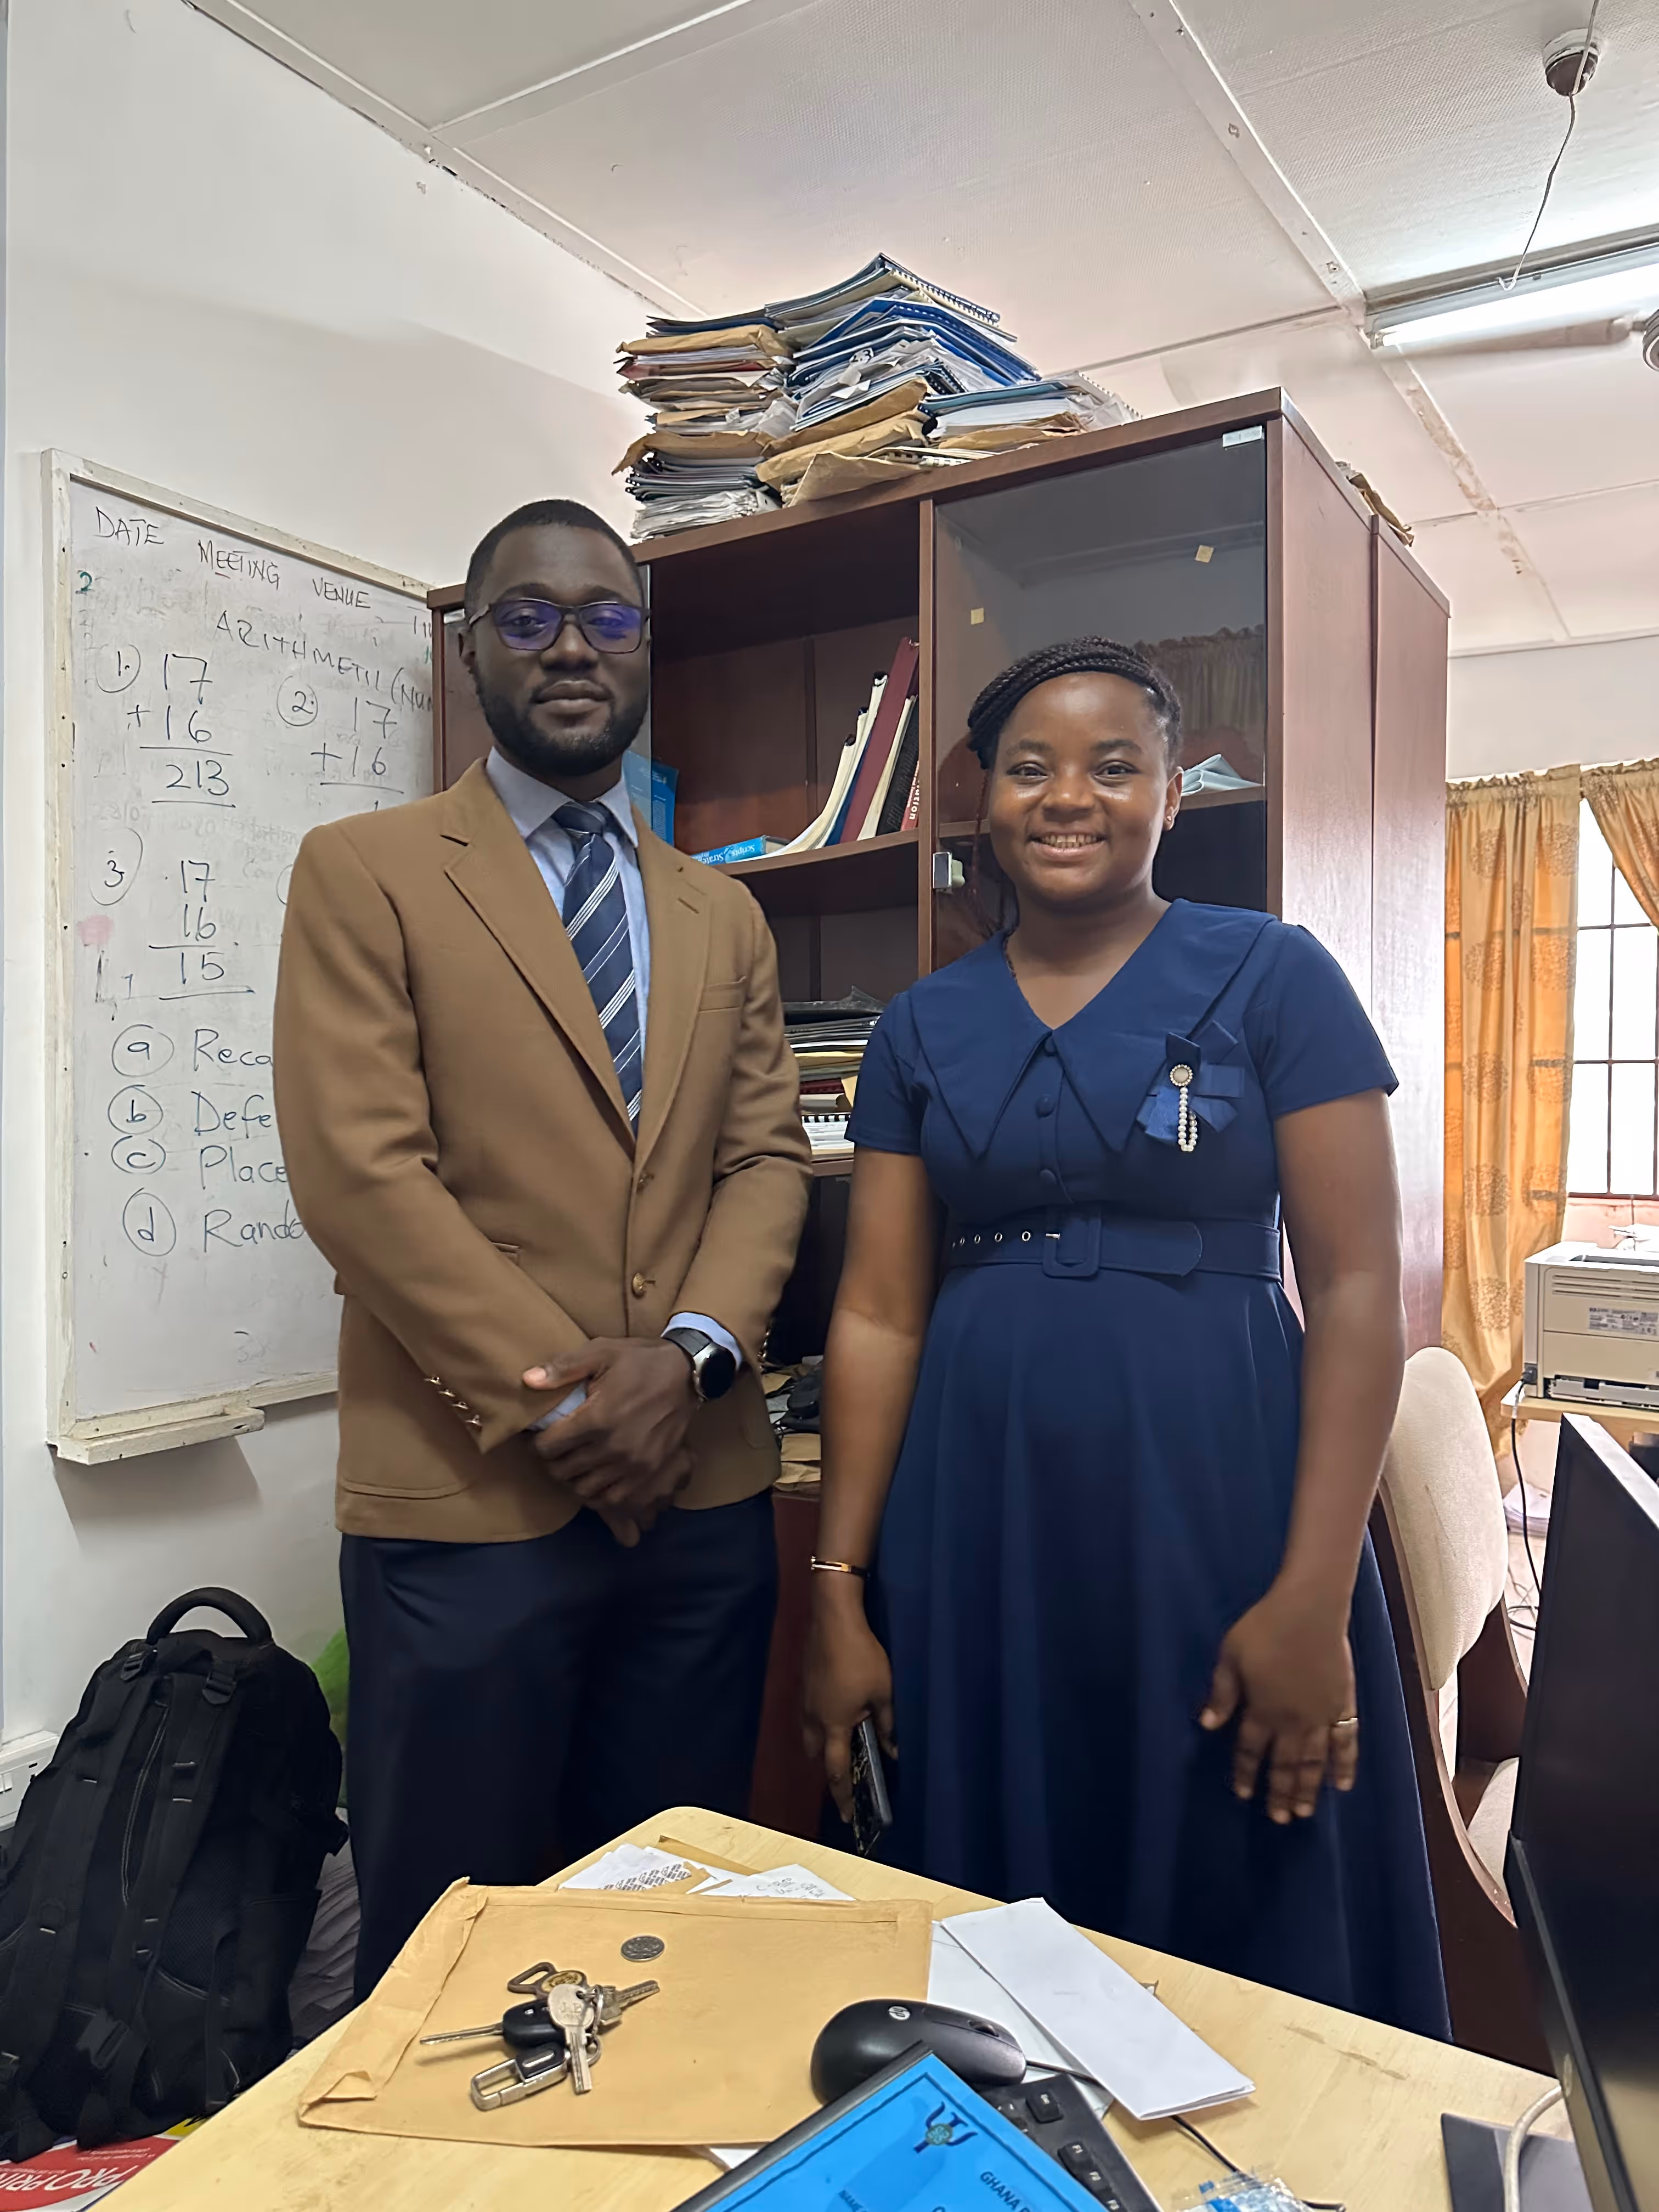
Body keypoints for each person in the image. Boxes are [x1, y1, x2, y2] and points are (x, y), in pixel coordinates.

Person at [802, 637, 1449, 2034]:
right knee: (999, 1905)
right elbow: (877, 1310)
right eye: (1029, 769)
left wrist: (1312, 1596)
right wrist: (840, 1590)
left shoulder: (1275, 975)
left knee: (1237, 1851)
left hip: (1223, 1503)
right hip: (979, 1520)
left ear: (1173, 792)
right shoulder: (917, 1028)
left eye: (1114, 766)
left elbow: (1353, 1287)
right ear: (984, 801)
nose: (1068, 797)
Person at [274, 498, 810, 1996]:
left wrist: (686, 1366)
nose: (572, 646)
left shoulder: (724, 914)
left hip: (699, 1504)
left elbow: (765, 1160)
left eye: (606, 615)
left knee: (671, 1932)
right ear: (472, 647)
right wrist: (577, 1404)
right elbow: (361, 1176)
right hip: (470, 1507)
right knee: (456, 1955)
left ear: (645, 644)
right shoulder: (366, 871)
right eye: (528, 616)